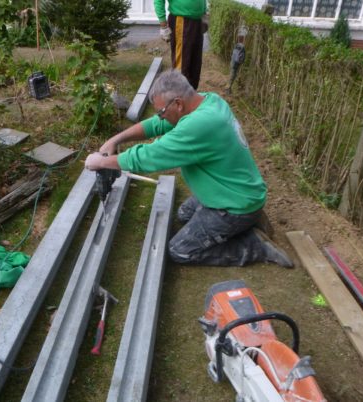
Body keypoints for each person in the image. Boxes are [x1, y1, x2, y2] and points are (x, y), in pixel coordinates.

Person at [84, 70, 293, 268]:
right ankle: (250, 221)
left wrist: (101, 162)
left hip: (235, 205)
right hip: (237, 190)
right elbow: (156, 125)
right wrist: (117, 139)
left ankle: (254, 246)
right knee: (184, 214)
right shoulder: (209, 101)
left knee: (181, 250)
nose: (161, 117)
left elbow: (150, 156)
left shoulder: (199, 125)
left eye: (162, 112)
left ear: (178, 104)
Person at [154, 0, 207, 90]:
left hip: (197, 21)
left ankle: (191, 96)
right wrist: (163, 24)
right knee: (182, 64)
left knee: (195, 64)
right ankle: (179, 96)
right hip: (181, 20)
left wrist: (204, 13)